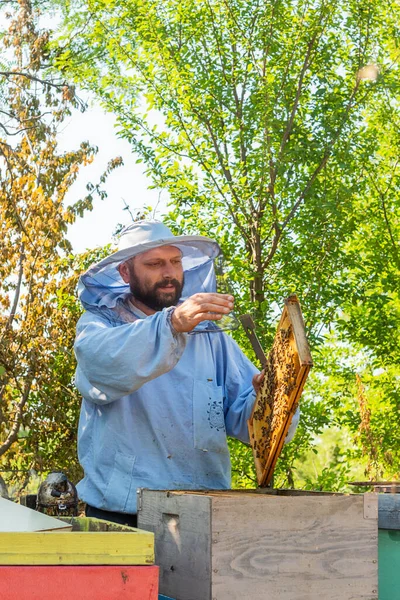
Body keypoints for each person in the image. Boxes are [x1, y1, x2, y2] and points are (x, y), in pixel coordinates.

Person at [74, 221, 298, 527]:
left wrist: (269, 396)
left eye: (175, 262)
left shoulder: (209, 334)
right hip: (122, 514)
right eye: (154, 263)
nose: (169, 272)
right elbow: (101, 366)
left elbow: (247, 423)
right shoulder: (101, 324)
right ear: (126, 272)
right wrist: (172, 323)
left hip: (202, 509)